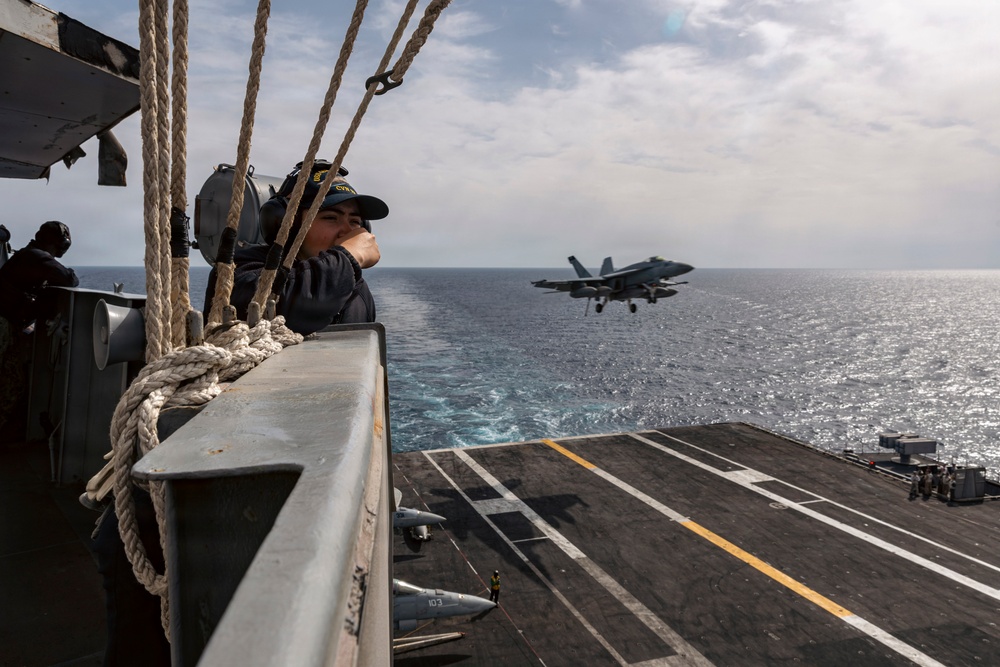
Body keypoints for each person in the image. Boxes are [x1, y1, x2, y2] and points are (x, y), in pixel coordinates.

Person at [203, 160, 387, 334]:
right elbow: (292, 305)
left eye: (355, 221)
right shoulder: (239, 270)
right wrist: (348, 256)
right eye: (331, 217)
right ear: (288, 223)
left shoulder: (357, 288)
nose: (347, 232)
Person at [0, 221, 79, 442]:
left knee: (13, 384)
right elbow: (69, 279)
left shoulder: (29, 255)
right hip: (4, 324)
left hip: (9, 325)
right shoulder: (37, 257)